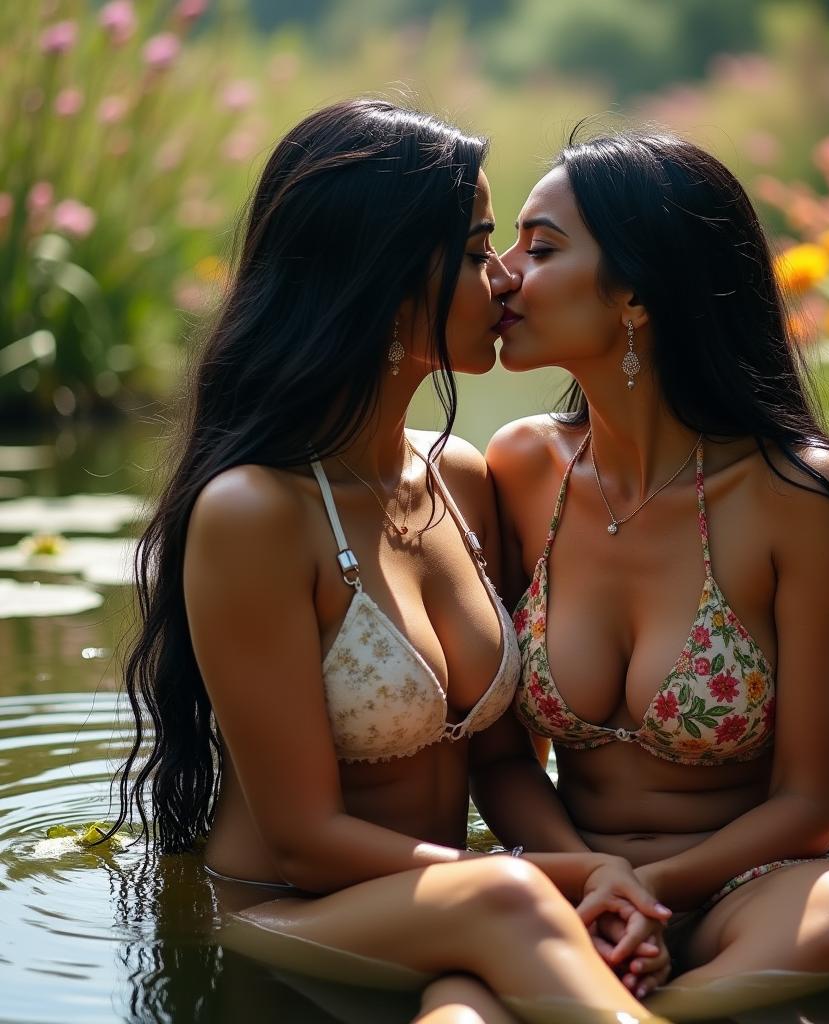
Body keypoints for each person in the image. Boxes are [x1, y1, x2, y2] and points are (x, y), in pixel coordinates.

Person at [104, 101, 672, 1024]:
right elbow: (303, 842)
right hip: (287, 914)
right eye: (480, 243)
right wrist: (555, 878)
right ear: (385, 271)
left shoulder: (461, 477)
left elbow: (500, 763)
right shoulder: (253, 512)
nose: (505, 278)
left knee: (475, 977)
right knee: (509, 900)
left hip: (449, 912)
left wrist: (604, 885)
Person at [478, 128, 829, 1015]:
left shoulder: (796, 493)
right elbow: (501, 762)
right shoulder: (521, 469)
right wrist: (592, 879)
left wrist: (646, 892)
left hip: (754, 888)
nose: (502, 274)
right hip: (570, 880)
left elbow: (807, 803)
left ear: (637, 293)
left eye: (539, 248)